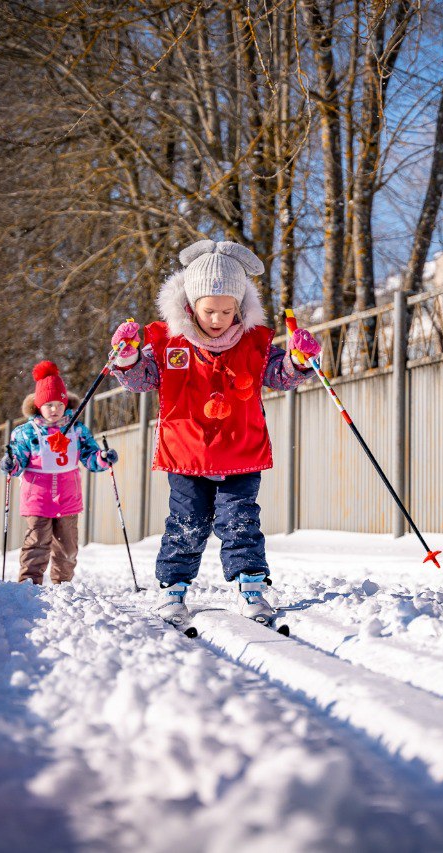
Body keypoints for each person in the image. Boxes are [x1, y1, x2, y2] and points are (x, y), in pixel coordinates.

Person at [108, 239, 320, 626]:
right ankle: (173, 590)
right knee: (187, 522)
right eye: (210, 310)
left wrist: (297, 359)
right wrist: (129, 357)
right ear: (191, 305)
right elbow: (141, 380)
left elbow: (279, 377)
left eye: (228, 310)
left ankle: (250, 588)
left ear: (240, 306)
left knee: (239, 520)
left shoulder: (255, 342)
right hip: (187, 451)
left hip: (240, 449)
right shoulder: (169, 342)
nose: (219, 319)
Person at [0, 361, 116, 585]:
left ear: (66, 404)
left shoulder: (77, 430)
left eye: (58, 404)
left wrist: (103, 458)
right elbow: (18, 461)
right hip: (38, 498)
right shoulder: (26, 433)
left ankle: (62, 586)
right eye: (48, 405)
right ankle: (28, 585)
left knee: (67, 547)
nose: (54, 410)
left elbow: (90, 457)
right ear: (38, 406)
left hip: (67, 498)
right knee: (37, 543)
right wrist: (10, 463)